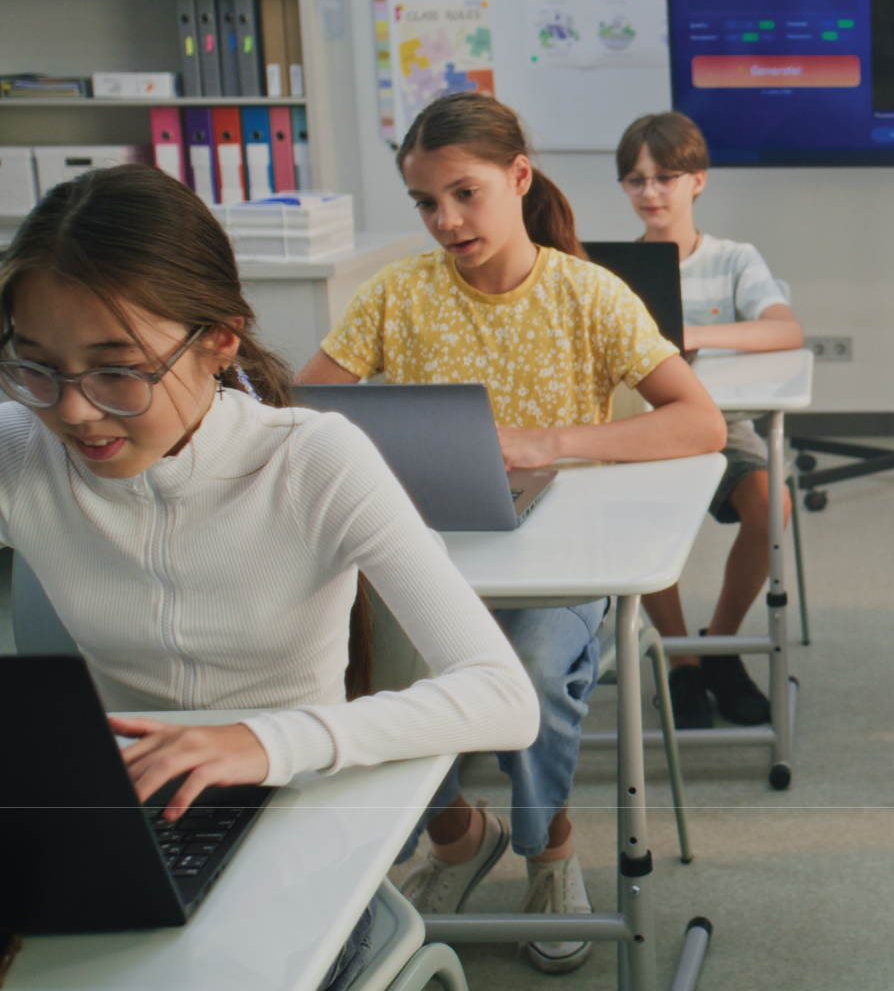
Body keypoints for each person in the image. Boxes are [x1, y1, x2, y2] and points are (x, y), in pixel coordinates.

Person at [0, 164, 539, 991]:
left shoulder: (310, 459)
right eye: (36, 367)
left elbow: (504, 697)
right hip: (123, 815)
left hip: (300, 813)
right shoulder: (20, 446)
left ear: (219, 340)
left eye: (118, 371)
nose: (72, 411)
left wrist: (265, 740)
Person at [296, 92, 727, 974]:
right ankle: (457, 838)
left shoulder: (587, 293)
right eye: (426, 203)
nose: (445, 221)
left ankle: (551, 850)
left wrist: (550, 442)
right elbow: (310, 412)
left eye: (465, 194)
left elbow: (700, 422)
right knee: (360, 670)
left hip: (558, 557)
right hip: (427, 553)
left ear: (519, 178)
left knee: (529, 668)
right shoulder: (396, 295)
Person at [615, 110, 802, 730]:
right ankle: (682, 660)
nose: (650, 192)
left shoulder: (732, 259)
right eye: (636, 180)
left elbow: (785, 329)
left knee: (770, 506)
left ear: (697, 180)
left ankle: (722, 647)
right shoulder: (608, 271)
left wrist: (684, 334)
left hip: (726, 426)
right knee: (634, 522)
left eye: (665, 177)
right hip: (644, 431)